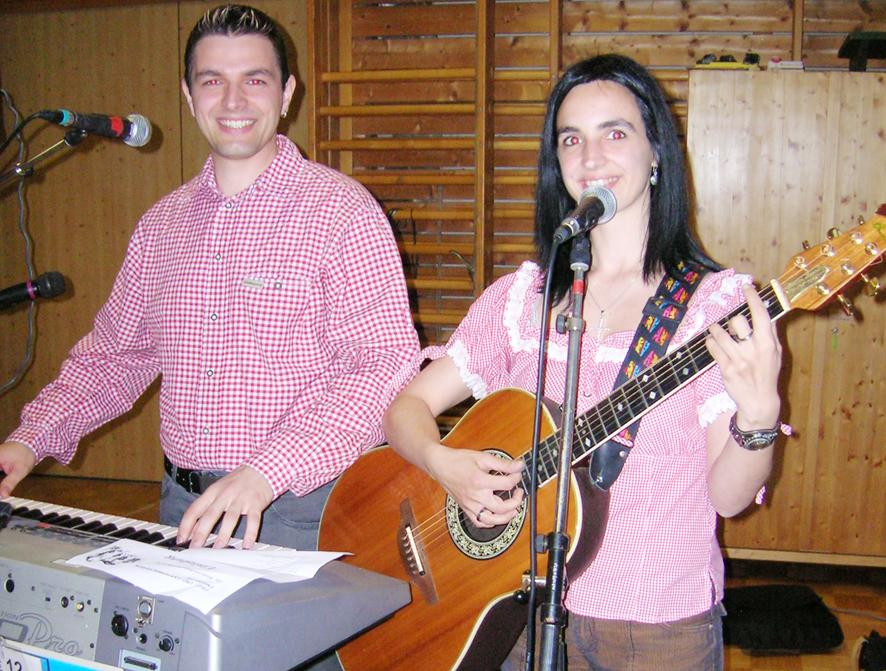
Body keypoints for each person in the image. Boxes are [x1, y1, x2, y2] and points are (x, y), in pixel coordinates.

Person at [382, 54, 783, 671]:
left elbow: (729, 499)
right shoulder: (524, 298)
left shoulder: (713, 307)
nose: (591, 157)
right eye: (572, 139)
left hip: (653, 625)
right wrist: (446, 464)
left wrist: (757, 418)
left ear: (656, 153)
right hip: (510, 605)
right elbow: (405, 409)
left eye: (614, 133)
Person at [0, 4, 419, 559]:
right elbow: (115, 357)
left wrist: (268, 470)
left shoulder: (342, 212)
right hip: (183, 505)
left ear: (287, 94)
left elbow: (383, 367)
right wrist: (28, 440)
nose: (233, 101)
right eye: (213, 81)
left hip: (302, 508)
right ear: (189, 95)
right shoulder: (161, 225)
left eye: (255, 80)